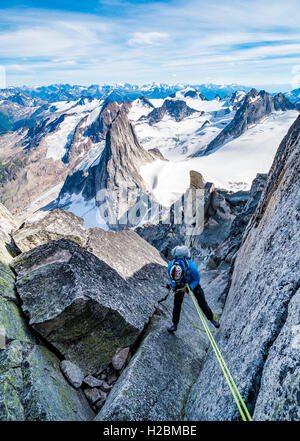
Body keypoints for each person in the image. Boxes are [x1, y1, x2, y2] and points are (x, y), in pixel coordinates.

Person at [167, 245, 220, 333]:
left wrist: (189, 288)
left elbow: (196, 279)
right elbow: (171, 279)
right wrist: (174, 287)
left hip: (192, 282)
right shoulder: (170, 266)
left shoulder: (191, 266)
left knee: (202, 302)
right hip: (179, 284)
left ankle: (211, 319)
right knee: (177, 304)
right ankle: (174, 324)